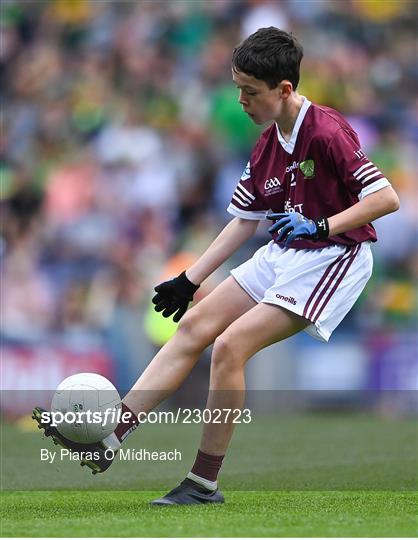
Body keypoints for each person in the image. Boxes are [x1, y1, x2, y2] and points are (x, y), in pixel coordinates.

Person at [33, 27, 400, 505]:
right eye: (237, 89)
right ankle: (108, 439)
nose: (241, 101)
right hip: (286, 253)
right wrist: (191, 279)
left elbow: (385, 197)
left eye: (250, 91)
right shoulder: (268, 143)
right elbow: (242, 222)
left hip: (335, 256)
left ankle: (203, 483)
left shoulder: (326, 130)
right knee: (194, 326)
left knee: (229, 347)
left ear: (284, 89)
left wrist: (322, 226)